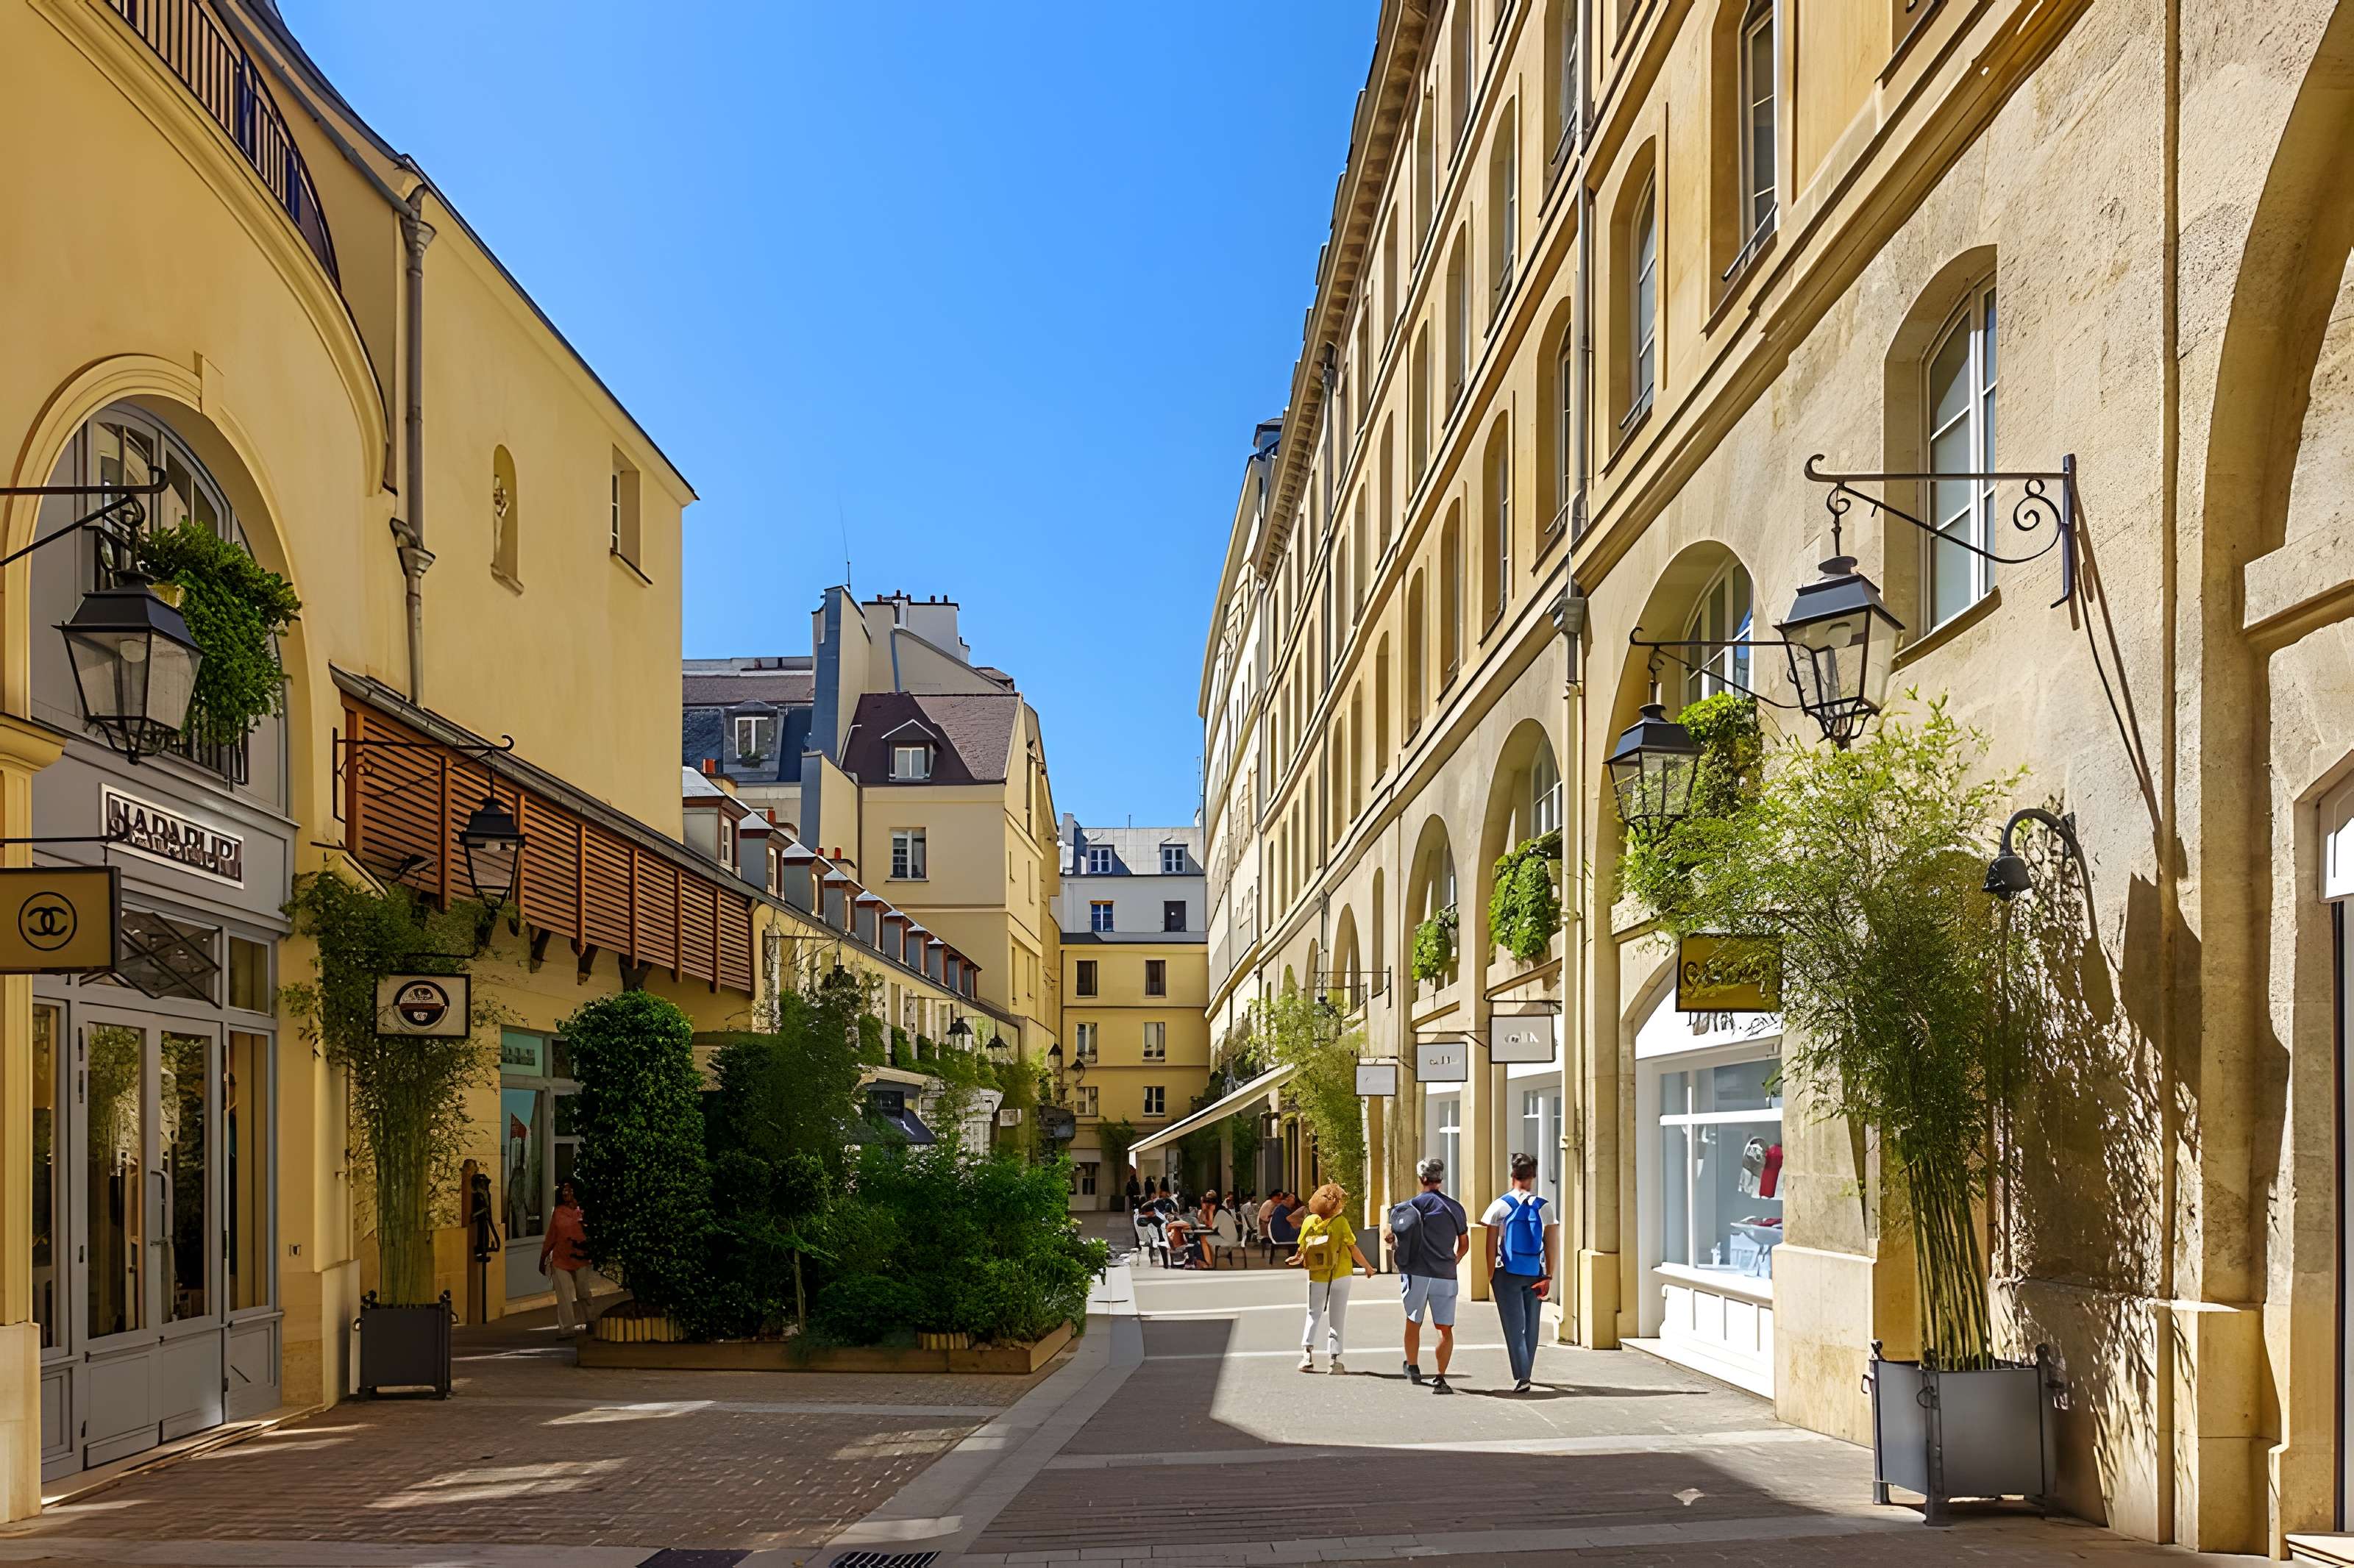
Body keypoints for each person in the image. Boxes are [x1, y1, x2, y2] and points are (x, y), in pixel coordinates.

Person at [1390, 1155, 1470, 1394]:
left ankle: (1413, 1367)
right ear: (1440, 1179)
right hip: (1445, 1274)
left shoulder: (1408, 1207)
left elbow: (1395, 1237)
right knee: (1444, 1328)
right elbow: (1464, 1244)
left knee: (1413, 1321)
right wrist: (1453, 1260)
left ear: (1421, 1178)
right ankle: (1440, 1378)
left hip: (1415, 1273)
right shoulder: (1454, 1208)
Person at [1482, 1153, 1552, 1391]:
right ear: (1533, 1177)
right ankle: (1527, 1371)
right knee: (1532, 1324)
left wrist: (1490, 1275)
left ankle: (1523, 1376)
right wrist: (1549, 1274)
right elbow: (1551, 1244)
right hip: (1535, 1271)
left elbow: (1490, 1246)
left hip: (1507, 1272)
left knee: (1514, 1326)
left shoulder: (1499, 1206)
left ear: (1512, 1175)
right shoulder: (1544, 1207)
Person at [1288, 1183, 1371, 1374]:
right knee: (1337, 1316)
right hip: (1341, 1274)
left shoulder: (1309, 1221)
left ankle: (1307, 1355)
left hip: (1317, 1274)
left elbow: (1302, 1247)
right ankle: (1334, 1360)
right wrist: (1367, 1267)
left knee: (1313, 1313)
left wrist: (1297, 1258)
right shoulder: (1341, 1222)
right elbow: (1352, 1248)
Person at [539, 1178, 593, 1333]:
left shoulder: (583, 1210)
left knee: (583, 1291)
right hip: (560, 1258)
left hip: (580, 1257)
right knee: (564, 1296)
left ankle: (590, 1319)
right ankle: (567, 1328)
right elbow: (551, 1236)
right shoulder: (558, 1212)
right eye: (563, 1189)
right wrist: (543, 1258)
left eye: (569, 1189)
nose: (565, 1192)